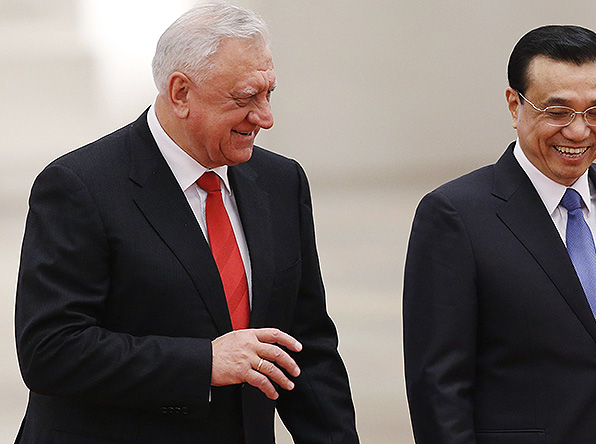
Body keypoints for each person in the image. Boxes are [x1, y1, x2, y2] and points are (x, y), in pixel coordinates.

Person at [14, 3, 358, 443]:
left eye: (269, 93)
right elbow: (51, 351)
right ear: (180, 93)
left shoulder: (280, 181)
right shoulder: (79, 187)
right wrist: (204, 363)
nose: (265, 117)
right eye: (244, 98)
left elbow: (303, 345)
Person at [403, 25, 596, 444]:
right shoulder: (455, 215)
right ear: (514, 105)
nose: (578, 132)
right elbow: (438, 387)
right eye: (557, 112)